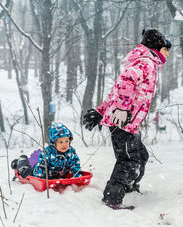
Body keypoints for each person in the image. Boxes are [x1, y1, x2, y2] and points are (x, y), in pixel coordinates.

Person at [83, 27, 171, 209]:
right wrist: (122, 110)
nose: (167, 55)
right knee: (128, 161)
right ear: (157, 47)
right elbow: (125, 83)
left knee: (141, 156)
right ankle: (112, 199)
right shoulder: (145, 63)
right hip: (122, 122)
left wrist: (101, 111)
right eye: (165, 50)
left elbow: (116, 91)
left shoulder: (147, 63)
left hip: (129, 124)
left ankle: (130, 188)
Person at [12, 123, 82, 179]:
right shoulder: (48, 153)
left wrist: (77, 176)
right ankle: (21, 160)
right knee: (25, 172)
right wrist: (42, 178)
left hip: (58, 174)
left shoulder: (71, 151)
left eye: (66, 141)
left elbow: (75, 164)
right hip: (38, 173)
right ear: (53, 143)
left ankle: (30, 160)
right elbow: (41, 168)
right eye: (60, 142)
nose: (64, 144)